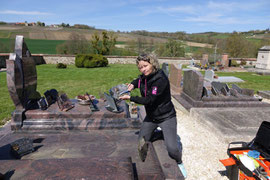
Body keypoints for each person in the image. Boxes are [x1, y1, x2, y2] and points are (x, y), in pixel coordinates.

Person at [119, 53, 187, 178]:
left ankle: (179, 162)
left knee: (172, 149)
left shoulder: (160, 80)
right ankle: (162, 133)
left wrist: (130, 97)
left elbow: (149, 100)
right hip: (152, 117)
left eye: (145, 66)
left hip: (166, 116)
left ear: (153, 64)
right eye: (140, 67)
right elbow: (139, 80)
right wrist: (133, 84)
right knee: (142, 141)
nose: (143, 69)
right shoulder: (145, 76)